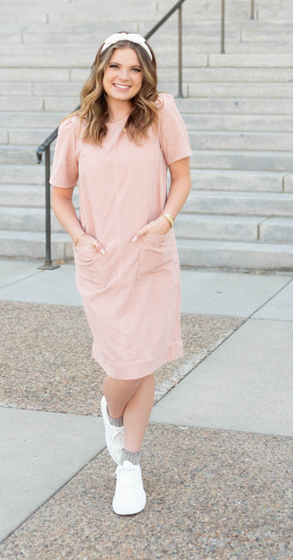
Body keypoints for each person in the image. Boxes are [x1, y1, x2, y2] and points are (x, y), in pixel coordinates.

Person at [50, 31, 192, 516]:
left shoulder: (160, 114)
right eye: (116, 67)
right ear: (100, 71)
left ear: (145, 75)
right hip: (102, 261)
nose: (125, 77)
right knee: (124, 362)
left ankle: (129, 465)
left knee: (144, 358)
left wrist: (165, 220)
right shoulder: (74, 128)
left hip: (150, 257)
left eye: (134, 68)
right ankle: (111, 410)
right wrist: (79, 238)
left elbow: (183, 175)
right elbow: (60, 195)